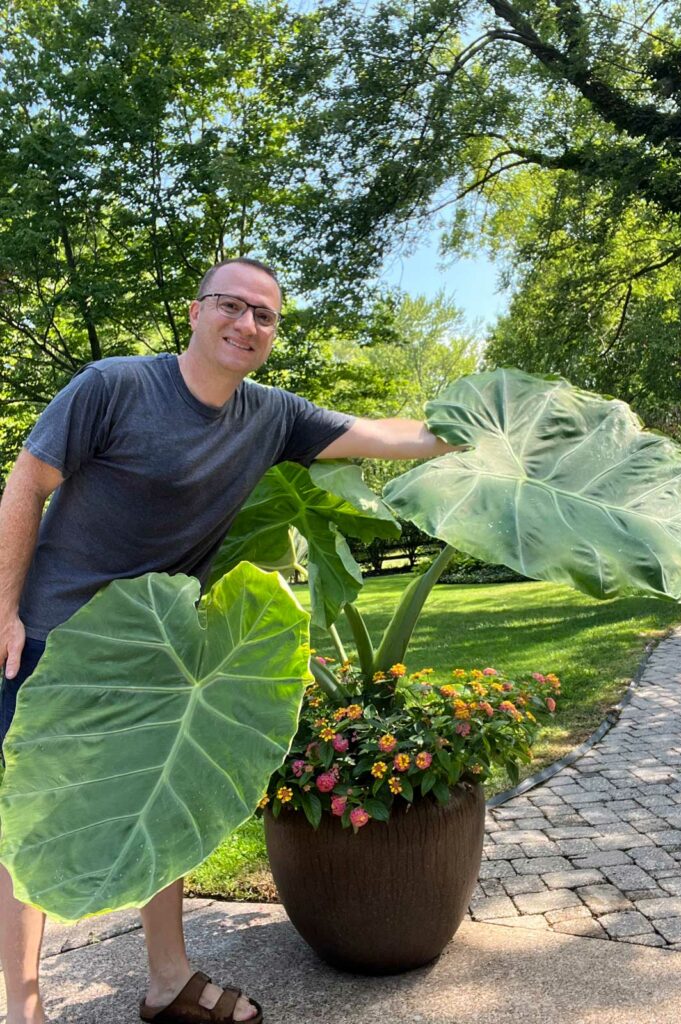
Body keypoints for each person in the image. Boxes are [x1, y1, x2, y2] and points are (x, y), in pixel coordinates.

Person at [0, 257, 456, 1024]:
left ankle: (167, 981)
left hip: (168, 651)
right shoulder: (114, 385)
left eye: (265, 317)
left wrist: (473, 436)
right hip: (61, 641)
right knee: (35, 817)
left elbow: (382, 436)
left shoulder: (271, 416)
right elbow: (26, 484)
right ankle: (22, 1009)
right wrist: (4, 609)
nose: (246, 325)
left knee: (162, 794)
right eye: (230, 306)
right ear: (195, 310)